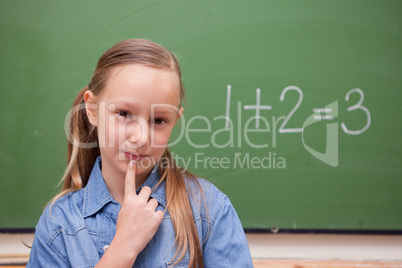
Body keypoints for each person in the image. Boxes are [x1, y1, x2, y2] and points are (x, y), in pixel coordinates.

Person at [27, 39, 253, 267]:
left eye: (159, 120)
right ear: (92, 110)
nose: (140, 137)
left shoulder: (208, 210)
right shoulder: (59, 225)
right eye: (124, 114)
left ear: (175, 120)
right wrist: (124, 246)